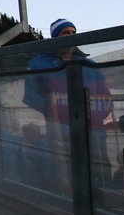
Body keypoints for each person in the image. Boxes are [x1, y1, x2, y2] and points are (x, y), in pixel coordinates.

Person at [22, 19, 114, 184]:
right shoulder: (39, 63)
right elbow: (29, 95)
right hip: (60, 129)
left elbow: (105, 96)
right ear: (56, 37)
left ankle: (103, 202)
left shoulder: (88, 64)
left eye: (73, 32)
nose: (71, 36)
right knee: (63, 171)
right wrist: (50, 107)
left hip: (93, 130)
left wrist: (96, 114)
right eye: (66, 33)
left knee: (99, 171)